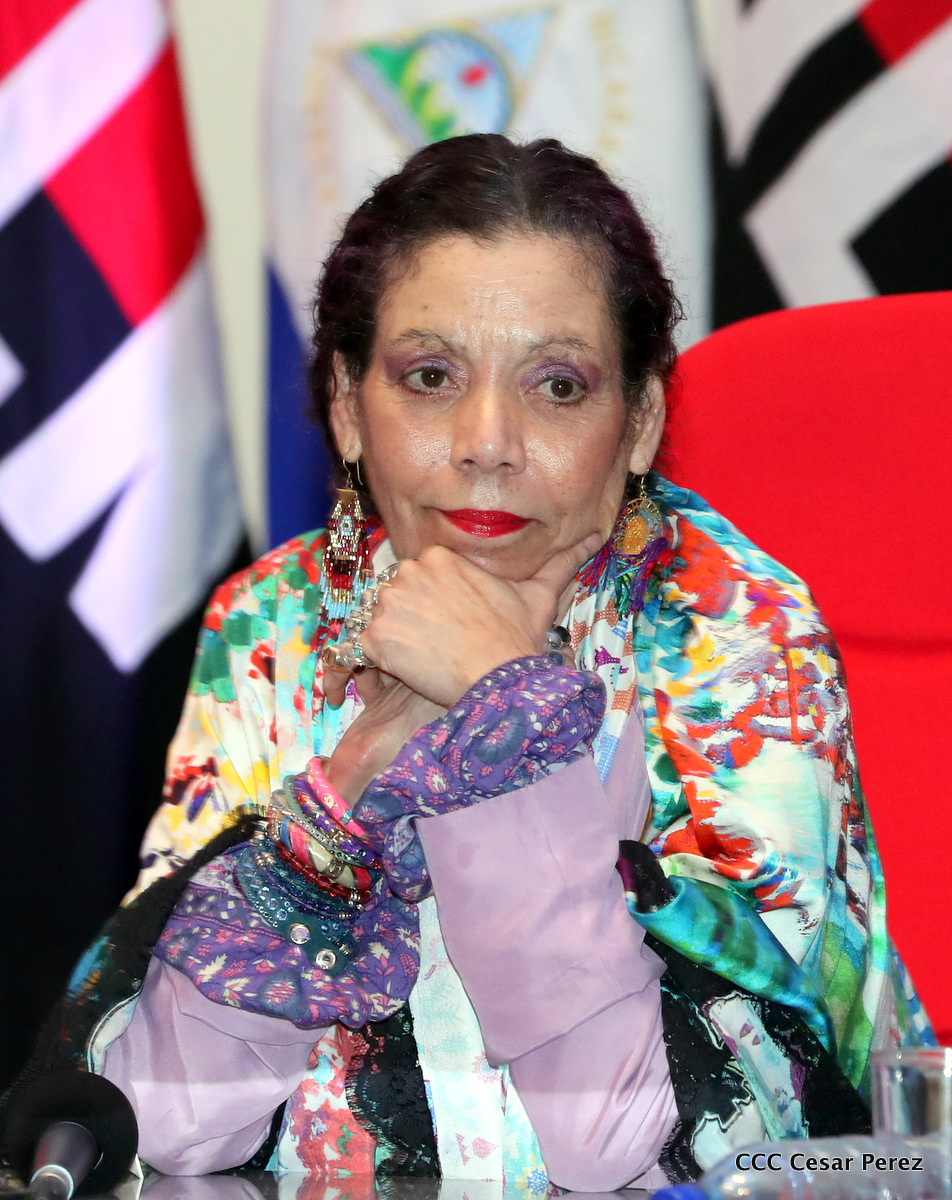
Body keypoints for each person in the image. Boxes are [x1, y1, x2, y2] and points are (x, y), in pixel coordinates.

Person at [8, 135, 932, 1193]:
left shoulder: (732, 635)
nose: (488, 440)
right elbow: (166, 1122)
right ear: (349, 407)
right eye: (430, 377)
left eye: (558, 385)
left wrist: (504, 723)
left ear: (639, 422)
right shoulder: (270, 624)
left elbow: (659, 1147)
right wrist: (352, 781)